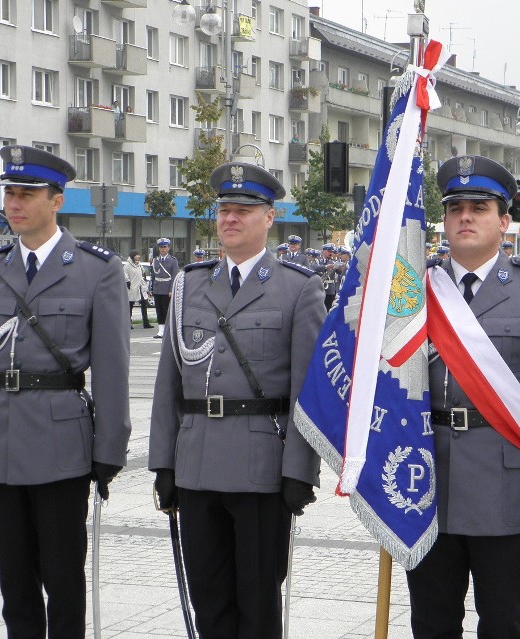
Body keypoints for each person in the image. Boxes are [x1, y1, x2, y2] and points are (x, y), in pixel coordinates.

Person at [0, 145, 131, 638]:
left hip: (61, 448)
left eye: (28, 193)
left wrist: (109, 449)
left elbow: (113, 370)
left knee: (63, 581)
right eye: (10, 193)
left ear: (57, 200)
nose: (15, 203)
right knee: (14, 584)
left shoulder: (95, 269)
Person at [407, 155, 520, 639]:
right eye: (455, 207)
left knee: (503, 624)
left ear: (504, 221)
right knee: (430, 623)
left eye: (479, 207)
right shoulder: (414, 291)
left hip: (506, 491)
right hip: (427, 484)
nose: (465, 216)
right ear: (443, 219)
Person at [149, 161, 325, 639]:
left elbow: (309, 391)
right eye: (224, 209)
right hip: (198, 464)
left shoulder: (298, 287)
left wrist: (299, 470)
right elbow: (169, 384)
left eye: (243, 210)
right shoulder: (189, 284)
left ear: (269, 218)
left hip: (261, 470)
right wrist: (163, 465)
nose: (230, 218)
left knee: (258, 603)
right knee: (208, 599)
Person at [150, 237, 179, 339]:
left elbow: (175, 276)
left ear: (168, 248)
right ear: (159, 248)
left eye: (165, 247)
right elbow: (153, 276)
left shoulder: (173, 261)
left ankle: (168, 331)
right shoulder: (155, 261)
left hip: (167, 290)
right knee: (159, 310)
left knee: (167, 310)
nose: (163, 249)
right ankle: (160, 331)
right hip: (158, 288)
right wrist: (151, 289)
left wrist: (172, 289)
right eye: (161, 247)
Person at [123, 249, 153, 329]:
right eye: (136, 255)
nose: (138, 256)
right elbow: (124, 274)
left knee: (144, 304)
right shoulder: (127, 265)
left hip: (140, 288)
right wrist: (128, 281)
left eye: (138, 255)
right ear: (133, 256)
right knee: (130, 306)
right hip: (132, 288)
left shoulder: (139, 265)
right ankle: (128, 323)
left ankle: (146, 323)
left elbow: (143, 273)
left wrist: (144, 280)